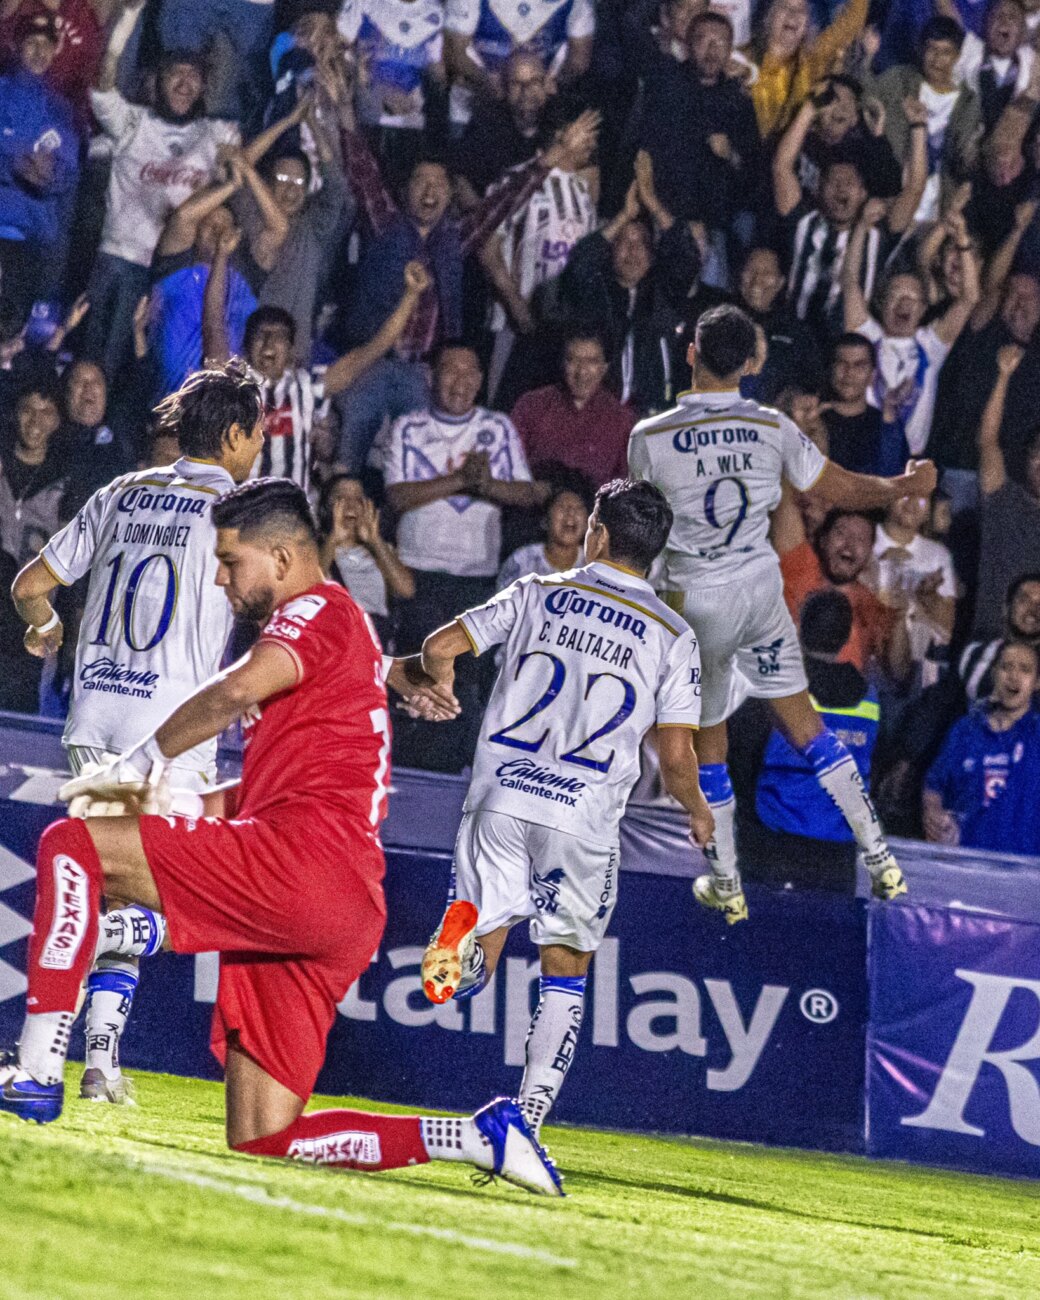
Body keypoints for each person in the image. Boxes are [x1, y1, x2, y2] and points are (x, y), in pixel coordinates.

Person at [0, 476, 561, 1198]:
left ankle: (40, 1068)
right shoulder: (350, 634)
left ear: (285, 557)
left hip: (297, 866)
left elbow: (234, 691)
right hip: (337, 903)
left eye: (232, 561)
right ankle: (474, 1137)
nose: (221, 577)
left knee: (70, 846)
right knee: (265, 1137)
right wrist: (182, 802)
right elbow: (269, 788)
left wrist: (137, 767)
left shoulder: (318, 610)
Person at [418, 478, 713, 1137]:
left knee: (478, 946)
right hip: (580, 819)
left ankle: (455, 954)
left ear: (598, 534)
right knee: (565, 968)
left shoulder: (536, 592)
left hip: (498, 798)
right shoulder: (672, 634)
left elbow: (441, 646)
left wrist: (439, 682)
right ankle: (525, 1119)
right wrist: (696, 806)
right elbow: (674, 756)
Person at [9, 360, 266, 1104]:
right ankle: (57, 1053)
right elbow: (276, 609)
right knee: (168, 903)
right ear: (233, 434)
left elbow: (30, 587)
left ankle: (97, 1064)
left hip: (94, 718)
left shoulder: (120, 491)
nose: (260, 446)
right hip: (172, 731)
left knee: (110, 885)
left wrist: (48, 627)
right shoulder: (242, 506)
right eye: (257, 432)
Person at [629, 304, 938, 920]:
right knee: (812, 731)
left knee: (710, 749)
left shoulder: (649, 439)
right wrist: (901, 487)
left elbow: (645, 533)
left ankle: (727, 883)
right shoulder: (771, 428)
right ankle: (879, 855)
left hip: (702, 605)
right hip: (761, 597)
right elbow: (841, 487)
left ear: (690, 354)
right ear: (751, 363)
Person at [384, 343, 541, 770]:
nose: (461, 381)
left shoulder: (498, 427)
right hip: (419, 570)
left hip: (477, 575)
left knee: (466, 679)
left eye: (470, 371)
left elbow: (526, 492)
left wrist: (484, 485)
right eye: (450, 371)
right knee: (415, 672)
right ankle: (410, 768)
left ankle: (453, 772)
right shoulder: (409, 427)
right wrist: (461, 480)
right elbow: (397, 496)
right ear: (431, 377)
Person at [203, 238, 432, 490]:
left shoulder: (307, 387)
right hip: (241, 512)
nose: (268, 342)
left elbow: (371, 350)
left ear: (291, 351)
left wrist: (411, 295)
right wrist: (222, 255)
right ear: (246, 348)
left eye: (278, 336)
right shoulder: (232, 385)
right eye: (260, 335)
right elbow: (214, 326)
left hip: (291, 514)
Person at [750, 588, 879, 892]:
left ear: (799, 628)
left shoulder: (780, 689)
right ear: (848, 636)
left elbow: (746, 756)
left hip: (779, 839)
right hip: (840, 847)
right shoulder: (870, 697)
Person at [842, 200, 979, 456]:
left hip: (908, 466)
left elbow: (969, 298)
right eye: (896, 295)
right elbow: (850, 282)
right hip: (864, 458)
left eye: (913, 298)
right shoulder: (867, 336)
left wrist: (961, 240)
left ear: (924, 309)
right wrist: (861, 227)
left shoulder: (931, 345)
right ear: (882, 303)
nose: (904, 302)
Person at [923, 638, 1040, 854]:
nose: (1013, 677)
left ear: (1036, 682)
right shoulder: (965, 731)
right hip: (967, 870)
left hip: (1028, 876)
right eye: (1006, 667)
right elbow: (934, 785)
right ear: (994, 673)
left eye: (1025, 669)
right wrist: (933, 813)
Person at [0, 12, 79, 326]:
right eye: (31, 43)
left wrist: (51, 176)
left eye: (46, 45)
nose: (38, 51)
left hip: (32, 243)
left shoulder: (59, 108)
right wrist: (11, 165)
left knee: (17, 333)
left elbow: (67, 173)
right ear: (16, 46)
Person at [972, 344, 1040, 638]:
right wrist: (1003, 377)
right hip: (989, 643)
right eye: (1038, 453)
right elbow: (987, 441)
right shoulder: (1005, 498)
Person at [510, 331, 633, 489]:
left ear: (605, 367)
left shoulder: (622, 420)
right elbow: (509, 468)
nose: (581, 372)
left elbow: (627, 486)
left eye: (592, 362)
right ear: (563, 363)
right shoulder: (532, 406)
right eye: (573, 360)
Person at [317, 472, 415, 644]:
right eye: (341, 498)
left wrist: (375, 541)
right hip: (337, 640)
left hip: (376, 639)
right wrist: (333, 540)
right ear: (327, 505)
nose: (350, 505)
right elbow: (309, 590)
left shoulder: (380, 550)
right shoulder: (316, 548)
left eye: (358, 499)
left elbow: (406, 590)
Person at [821, 332, 909, 477]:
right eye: (842, 364)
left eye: (859, 365)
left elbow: (893, 480)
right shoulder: (814, 419)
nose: (849, 373)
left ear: (872, 375)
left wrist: (889, 419)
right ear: (831, 369)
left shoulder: (886, 424)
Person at [0, 376, 66, 564]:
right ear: (15, 414)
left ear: (57, 421)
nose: (35, 420)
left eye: (46, 411)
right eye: (27, 410)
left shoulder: (64, 480)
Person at [497, 478, 590, 589]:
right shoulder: (521, 562)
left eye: (578, 508)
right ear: (545, 521)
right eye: (562, 507)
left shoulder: (595, 567)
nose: (570, 513)